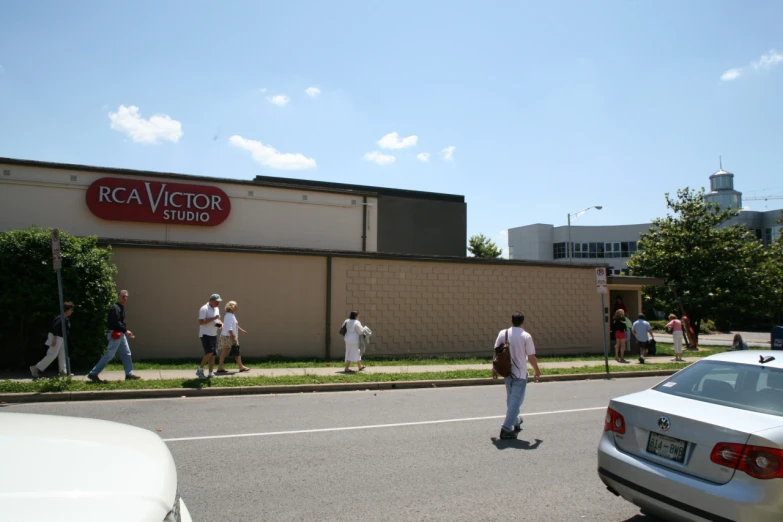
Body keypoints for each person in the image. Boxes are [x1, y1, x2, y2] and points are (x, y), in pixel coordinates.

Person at [492, 311, 542, 440]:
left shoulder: (503, 333)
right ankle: (506, 429)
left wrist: (494, 368)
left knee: (511, 399)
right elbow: (531, 356)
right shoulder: (526, 336)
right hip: (520, 374)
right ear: (523, 322)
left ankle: (516, 420)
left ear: (511, 320)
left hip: (507, 372)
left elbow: (497, 352)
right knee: (516, 401)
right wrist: (537, 370)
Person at [87, 290, 141, 382]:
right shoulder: (115, 308)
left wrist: (124, 331)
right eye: (123, 296)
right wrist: (125, 330)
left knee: (126, 353)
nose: (125, 298)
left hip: (121, 334)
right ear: (118, 297)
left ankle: (129, 374)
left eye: (126, 297)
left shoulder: (121, 307)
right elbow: (116, 322)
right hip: (116, 334)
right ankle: (93, 373)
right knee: (110, 354)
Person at [30, 302, 74, 378]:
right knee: (52, 354)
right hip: (57, 338)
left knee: (62, 355)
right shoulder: (61, 318)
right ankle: (36, 368)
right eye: (71, 309)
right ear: (67, 310)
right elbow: (55, 328)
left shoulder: (64, 318)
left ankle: (63, 371)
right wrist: (54, 340)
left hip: (61, 338)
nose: (72, 311)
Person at [216, 300, 250, 373]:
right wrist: (233, 337)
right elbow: (229, 328)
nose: (236, 307)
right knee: (236, 351)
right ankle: (241, 367)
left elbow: (235, 325)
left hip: (227, 336)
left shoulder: (230, 315)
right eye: (235, 306)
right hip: (229, 337)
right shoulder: (229, 316)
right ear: (232, 307)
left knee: (227, 351)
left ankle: (220, 367)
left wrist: (241, 330)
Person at [196, 294, 223, 379]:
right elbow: (201, 322)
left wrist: (220, 324)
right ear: (211, 300)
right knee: (209, 352)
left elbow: (217, 320)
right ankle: (200, 370)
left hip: (213, 334)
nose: (218, 303)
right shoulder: (204, 309)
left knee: (213, 354)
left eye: (219, 301)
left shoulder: (216, 309)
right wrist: (214, 318)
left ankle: (211, 373)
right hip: (205, 334)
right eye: (216, 301)